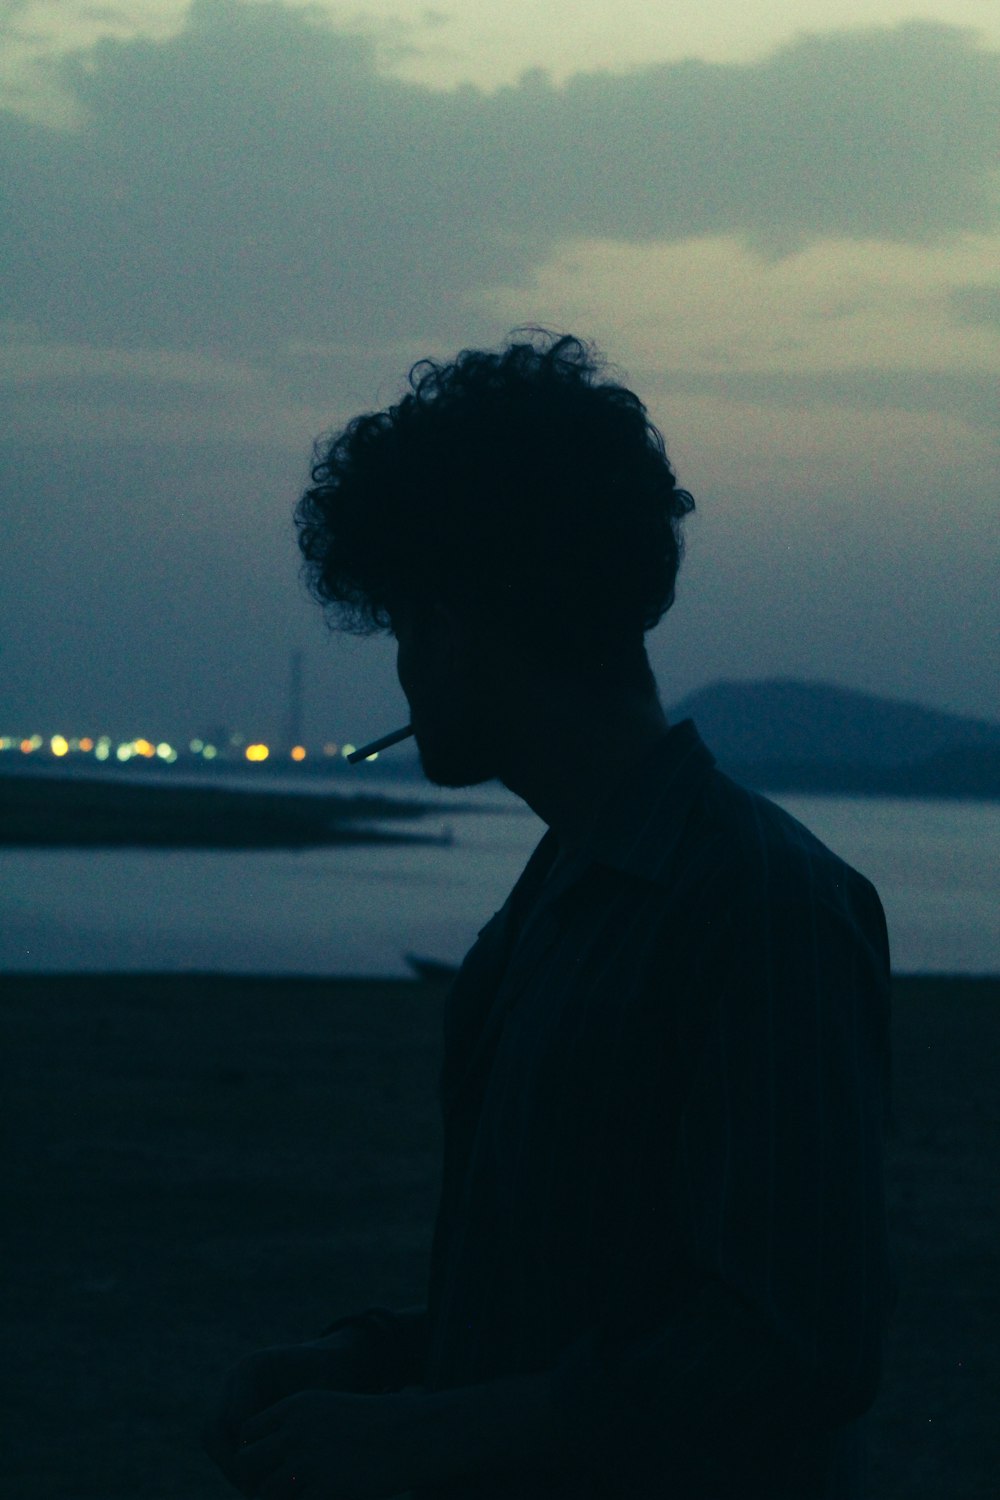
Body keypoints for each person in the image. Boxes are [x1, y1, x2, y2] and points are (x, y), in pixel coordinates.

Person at [202, 330, 895, 1499]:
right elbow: (584, 1302)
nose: (408, 672)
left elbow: (791, 1344)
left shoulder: (757, 903)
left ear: (466, 623)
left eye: (410, 625)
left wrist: (424, 1438)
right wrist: (375, 1358)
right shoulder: (560, 902)